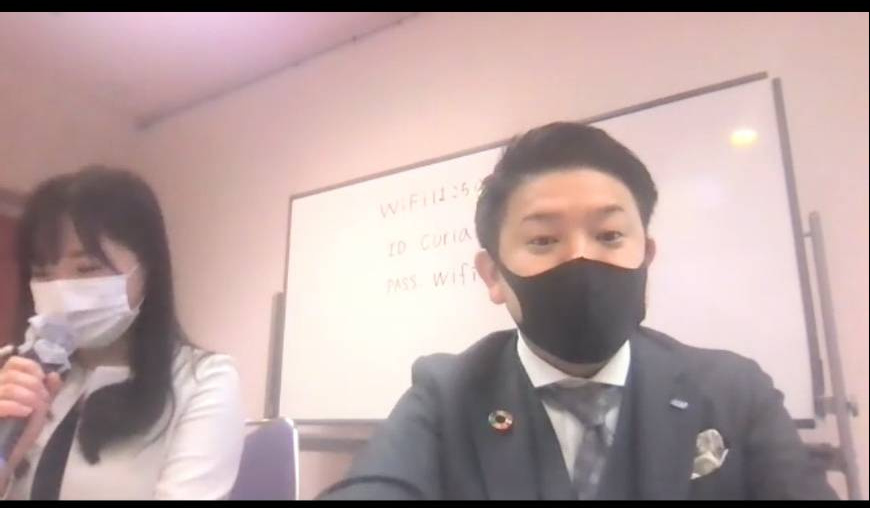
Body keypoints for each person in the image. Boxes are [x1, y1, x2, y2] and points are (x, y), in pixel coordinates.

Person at [319, 122, 837, 500]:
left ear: (646, 257)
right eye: (543, 240)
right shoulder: (446, 392)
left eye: (609, 235)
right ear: (493, 275)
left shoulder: (733, 390)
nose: (581, 260)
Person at [0, 166, 245, 499]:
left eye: (87, 268)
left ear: (148, 269)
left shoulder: (202, 381)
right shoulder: (12, 372)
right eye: (42, 273)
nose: (62, 291)